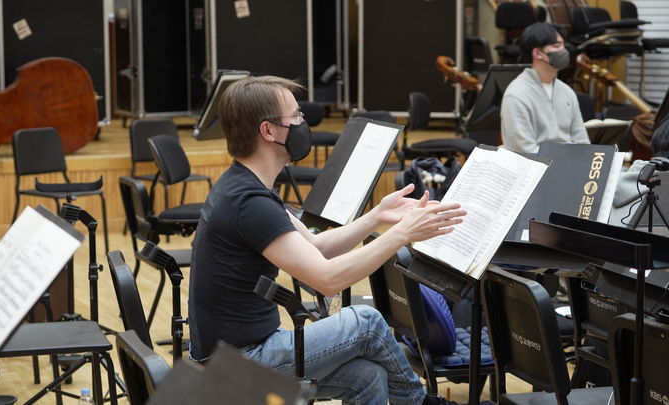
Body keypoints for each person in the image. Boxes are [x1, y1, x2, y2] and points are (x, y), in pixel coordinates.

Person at [188, 76, 468, 405]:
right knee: (366, 322)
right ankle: (421, 403)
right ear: (269, 131)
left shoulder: (245, 185)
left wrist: (377, 215)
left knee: (369, 376)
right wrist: (403, 233)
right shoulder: (250, 203)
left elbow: (317, 248)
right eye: (295, 118)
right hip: (237, 364)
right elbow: (327, 279)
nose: (302, 123)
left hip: (237, 355)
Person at [500, 22, 590, 153]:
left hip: (569, 168)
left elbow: (582, 143)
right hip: (533, 170)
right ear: (537, 53)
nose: (563, 51)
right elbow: (526, 151)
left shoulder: (567, 92)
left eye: (563, 45)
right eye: (557, 46)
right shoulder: (516, 95)